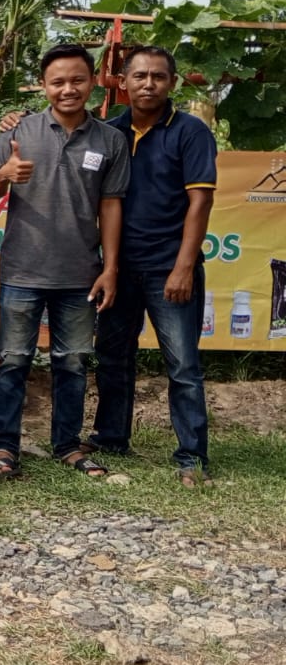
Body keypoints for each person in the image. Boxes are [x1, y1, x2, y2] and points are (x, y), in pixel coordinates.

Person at [0, 44, 128, 480]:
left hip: (80, 274)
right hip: (22, 272)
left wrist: (110, 267)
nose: (68, 89)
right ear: (44, 85)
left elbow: (110, 206)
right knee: (12, 361)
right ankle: (5, 449)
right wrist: (3, 175)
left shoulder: (110, 140)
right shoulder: (18, 133)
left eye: (77, 80)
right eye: (58, 82)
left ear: (92, 82)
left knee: (72, 361)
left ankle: (67, 445)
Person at [90, 46, 217, 486]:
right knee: (112, 357)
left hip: (169, 268)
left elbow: (200, 201)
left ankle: (191, 456)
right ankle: (110, 439)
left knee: (182, 365)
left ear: (172, 83)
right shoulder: (108, 131)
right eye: (140, 76)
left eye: (158, 77)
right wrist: (15, 120)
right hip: (117, 270)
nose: (149, 84)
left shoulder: (189, 132)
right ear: (122, 83)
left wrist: (183, 267)